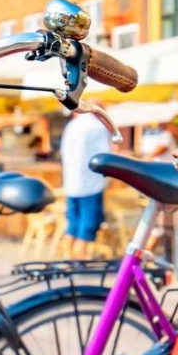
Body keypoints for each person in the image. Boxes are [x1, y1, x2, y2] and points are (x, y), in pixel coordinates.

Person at [59, 105, 113, 259]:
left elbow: (64, 152)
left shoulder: (72, 125)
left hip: (72, 180)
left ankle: (67, 254)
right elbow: (104, 155)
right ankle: (80, 254)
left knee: (73, 219)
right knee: (89, 219)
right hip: (91, 180)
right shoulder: (97, 127)